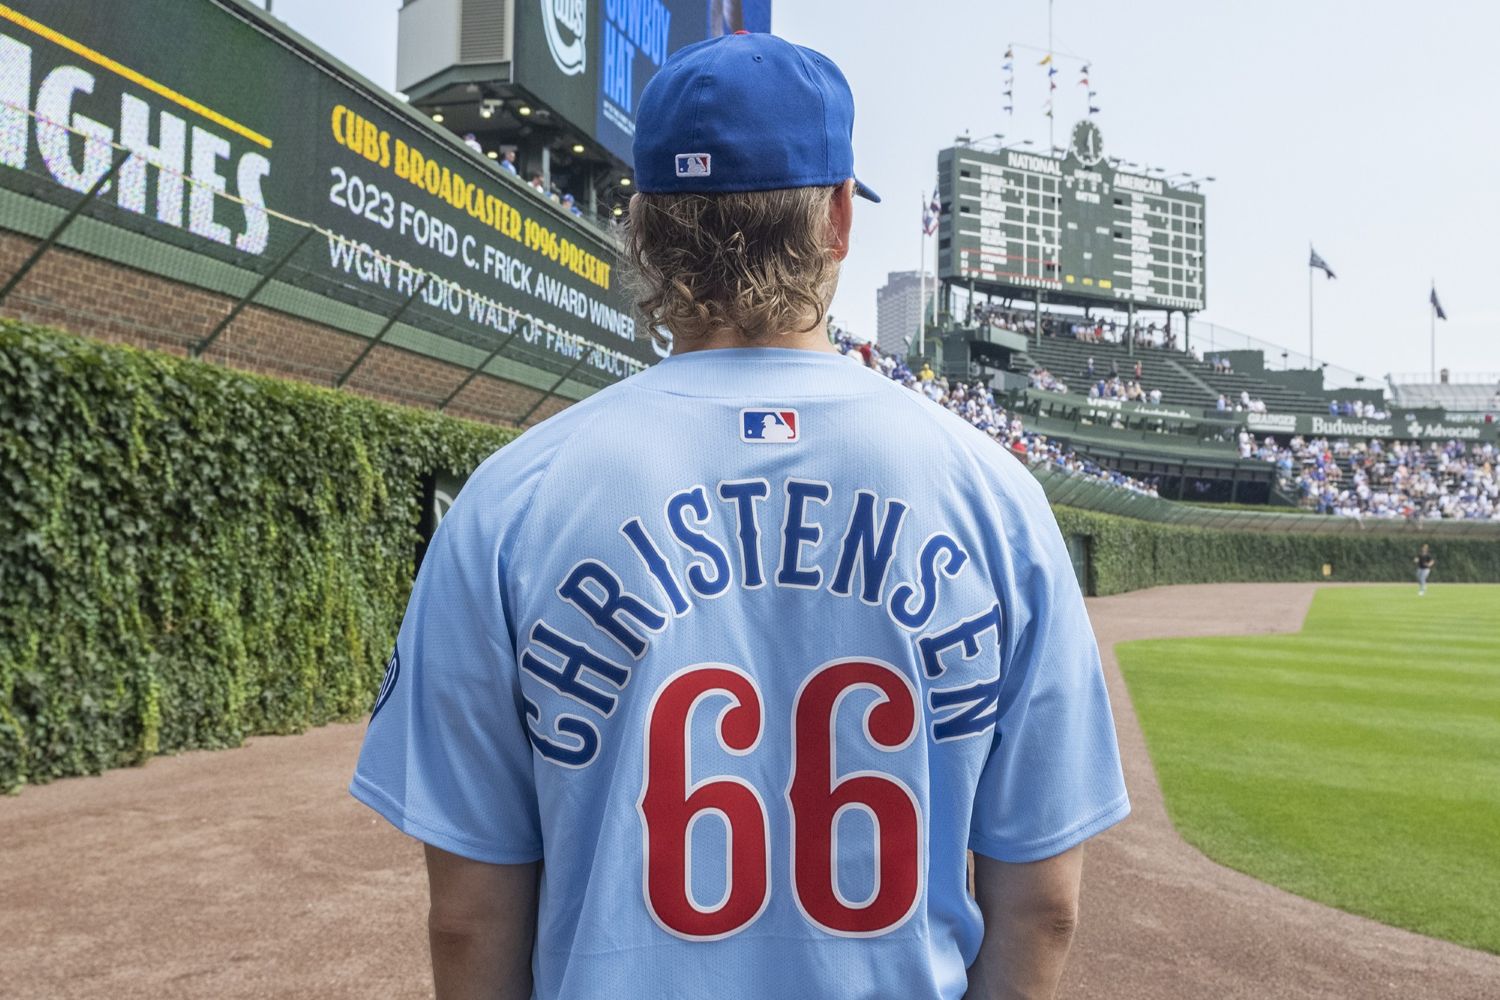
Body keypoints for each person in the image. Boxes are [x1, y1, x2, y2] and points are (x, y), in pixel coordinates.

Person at [351, 32, 1127, 1000]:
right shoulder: (993, 493)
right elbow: (1042, 904)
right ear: (840, 218)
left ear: (639, 225)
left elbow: (469, 915)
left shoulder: (512, 493)